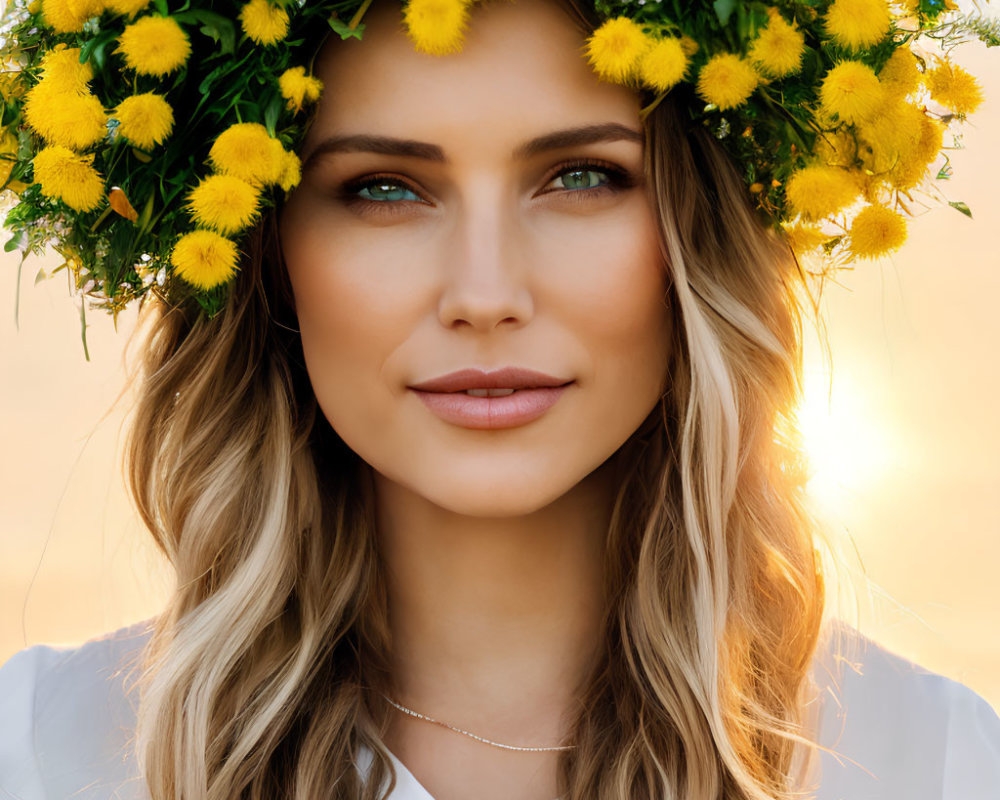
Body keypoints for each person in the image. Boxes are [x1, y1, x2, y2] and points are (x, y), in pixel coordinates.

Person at [1, 0, 999, 798]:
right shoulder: (42, 750)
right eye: (385, 188)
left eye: (580, 177)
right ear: (264, 251)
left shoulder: (937, 763)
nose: (484, 294)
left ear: (704, 236)